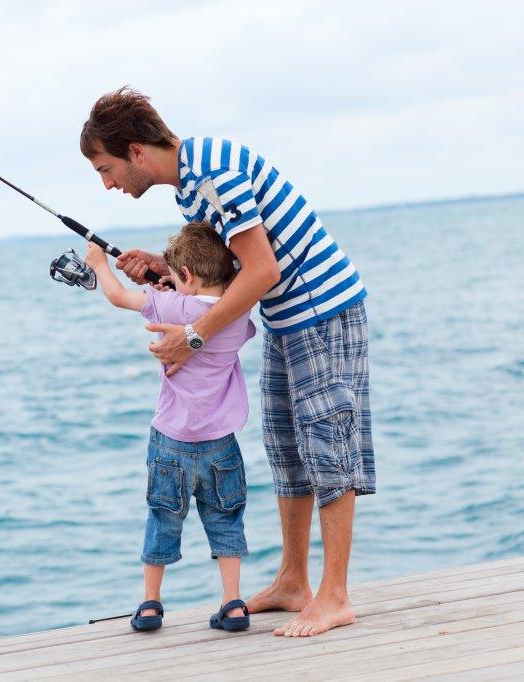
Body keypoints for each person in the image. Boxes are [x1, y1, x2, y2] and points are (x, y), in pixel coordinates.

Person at [79, 86, 375, 638]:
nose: (108, 183)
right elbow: (225, 276)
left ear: (136, 150)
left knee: (327, 447)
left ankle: (335, 594)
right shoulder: (192, 190)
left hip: (322, 310)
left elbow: (262, 271)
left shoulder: (212, 173)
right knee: (287, 447)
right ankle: (293, 580)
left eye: (107, 167)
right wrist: (167, 270)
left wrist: (191, 335)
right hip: (286, 320)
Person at [84, 221, 257, 633]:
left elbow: (116, 295)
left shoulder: (169, 307)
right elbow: (221, 296)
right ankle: (233, 603)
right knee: (226, 519)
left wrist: (98, 262)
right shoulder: (234, 311)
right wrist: (178, 285)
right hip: (221, 443)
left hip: (170, 442)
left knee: (162, 518)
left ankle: (150, 604)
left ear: (189, 278)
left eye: (176, 277)